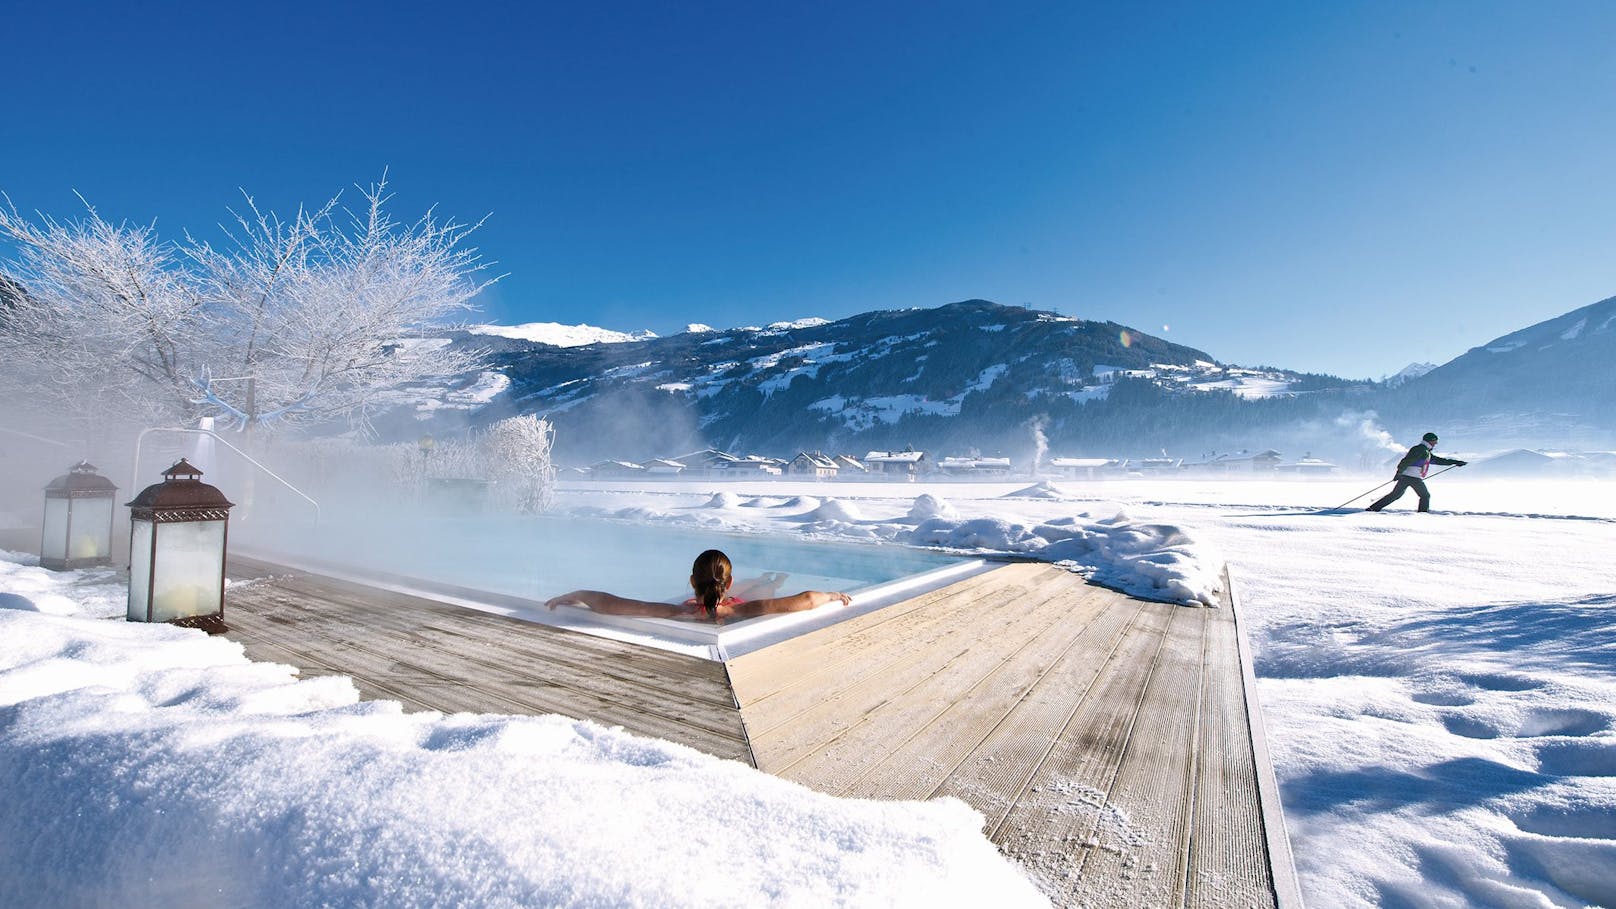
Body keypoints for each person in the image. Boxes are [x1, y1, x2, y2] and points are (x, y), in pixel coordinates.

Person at [545, 548, 852, 624]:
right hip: (737, 602)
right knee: (761, 595)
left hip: (712, 600)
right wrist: (835, 595)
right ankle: (769, 581)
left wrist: (578, 595)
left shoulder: (678, 612)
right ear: (727, 582)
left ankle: (763, 581)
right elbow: (809, 599)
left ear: (691, 582)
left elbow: (613, 604)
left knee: (752, 593)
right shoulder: (739, 613)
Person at [1366, 432, 1467, 512]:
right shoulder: (1420, 450)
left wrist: (1455, 462)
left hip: (1407, 476)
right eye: (1435, 441)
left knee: (1395, 495)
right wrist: (1399, 473)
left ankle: (1373, 508)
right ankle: (1423, 514)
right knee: (1425, 495)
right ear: (1430, 441)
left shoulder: (1425, 451)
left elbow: (1439, 460)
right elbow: (1405, 461)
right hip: (1412, 477)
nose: (1436, 443)